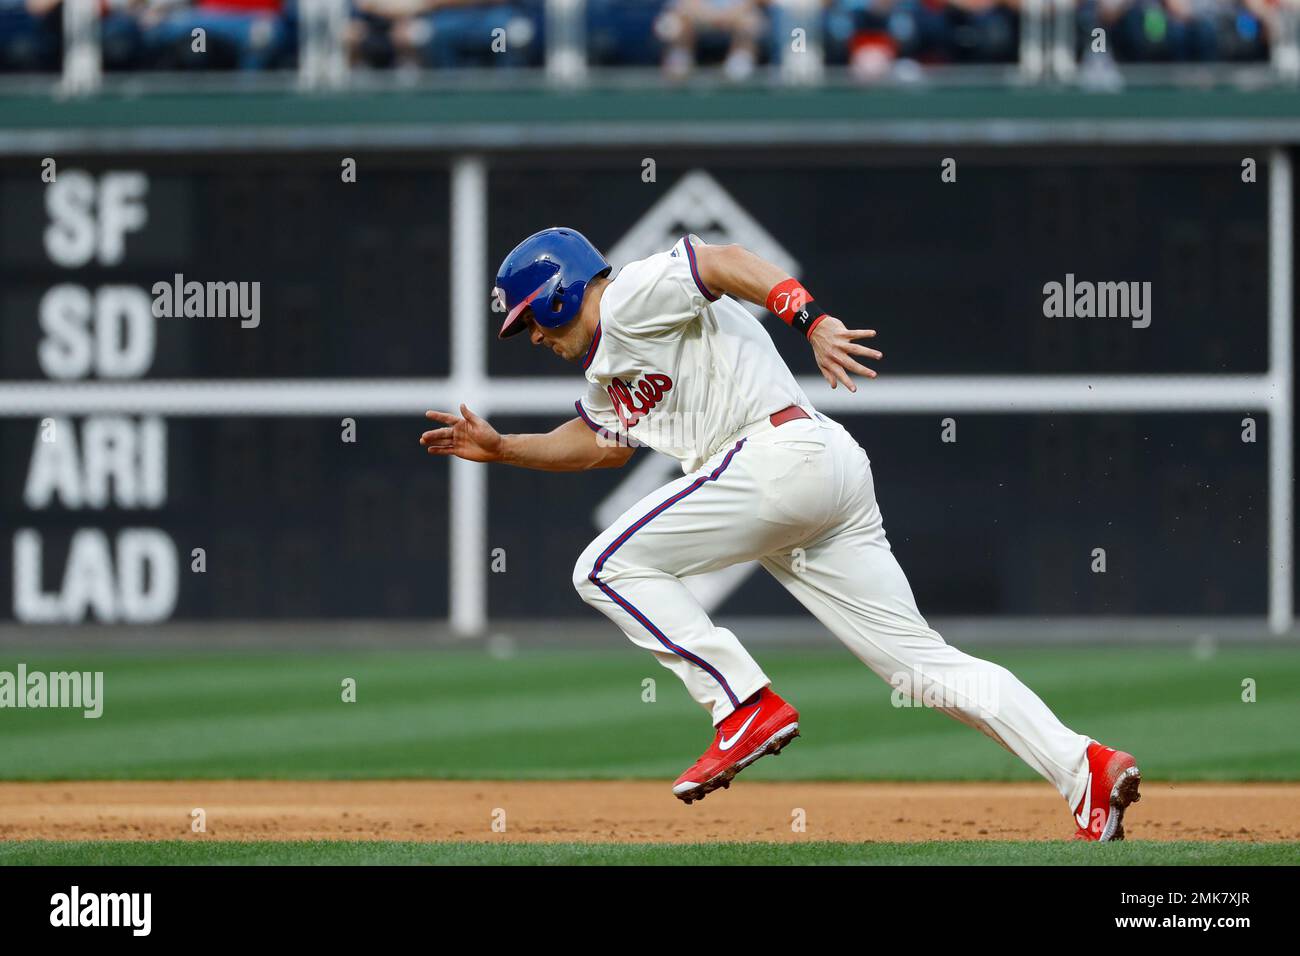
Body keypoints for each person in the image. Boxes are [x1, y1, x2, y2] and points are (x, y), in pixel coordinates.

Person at [420, 226, 1142, 841]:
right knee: (921, 669)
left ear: (557, 291)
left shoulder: (631, 295)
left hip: (773, 459)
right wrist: (506, 447)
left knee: (601, 567)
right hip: (820, 473)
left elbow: (721, 262)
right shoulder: (609, 365)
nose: (534, 334)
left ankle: (743, 705)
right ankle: (1086, 768)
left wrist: (811, 318)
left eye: (530, 319)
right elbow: (602, 442)